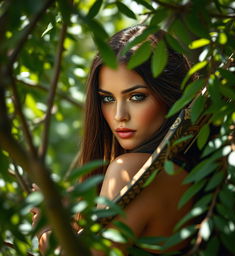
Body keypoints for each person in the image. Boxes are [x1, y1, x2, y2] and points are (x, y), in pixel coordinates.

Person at [35, 25, 197, 255]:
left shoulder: (130, 169)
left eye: (136, 96)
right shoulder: (190, 169)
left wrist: (48, 231)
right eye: (108, 98)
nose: (120, 115)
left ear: (170, 95)